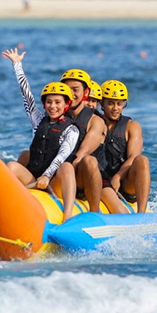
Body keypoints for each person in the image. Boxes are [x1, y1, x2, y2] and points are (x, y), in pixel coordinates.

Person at [2, 48, 79, 221]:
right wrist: (17, 65)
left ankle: (67, 214)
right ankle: (4, 208)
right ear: (44, 104)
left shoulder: (71, 129)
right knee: (12, 166)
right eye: (49, 102)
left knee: (66, 167)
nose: (53, 106)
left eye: (58, 102)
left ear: (66, 105)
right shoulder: (37, 120)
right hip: (34, 178)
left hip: (54, 182)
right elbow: (26, 94)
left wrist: (47, 175)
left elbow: (62, 155)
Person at [60, 69, 128, 215]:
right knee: (26, 155)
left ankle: (94, 213)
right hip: (62, 173)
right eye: (68, 89)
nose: (71, 93)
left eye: (75, 89)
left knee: (89, 161)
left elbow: (82, 153)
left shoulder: (96, 121)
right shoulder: (57, 114)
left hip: (93, 177)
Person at [100, 80, 150, 213]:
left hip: (125, 182)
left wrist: (118, 177)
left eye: (119, 104)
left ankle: (142, 213)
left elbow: (134, 156)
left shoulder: (132, 126)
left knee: (142, 160)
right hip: (101, 180)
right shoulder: (95, 123)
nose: (115, 108)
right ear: (101, 103)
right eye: (110, 103)